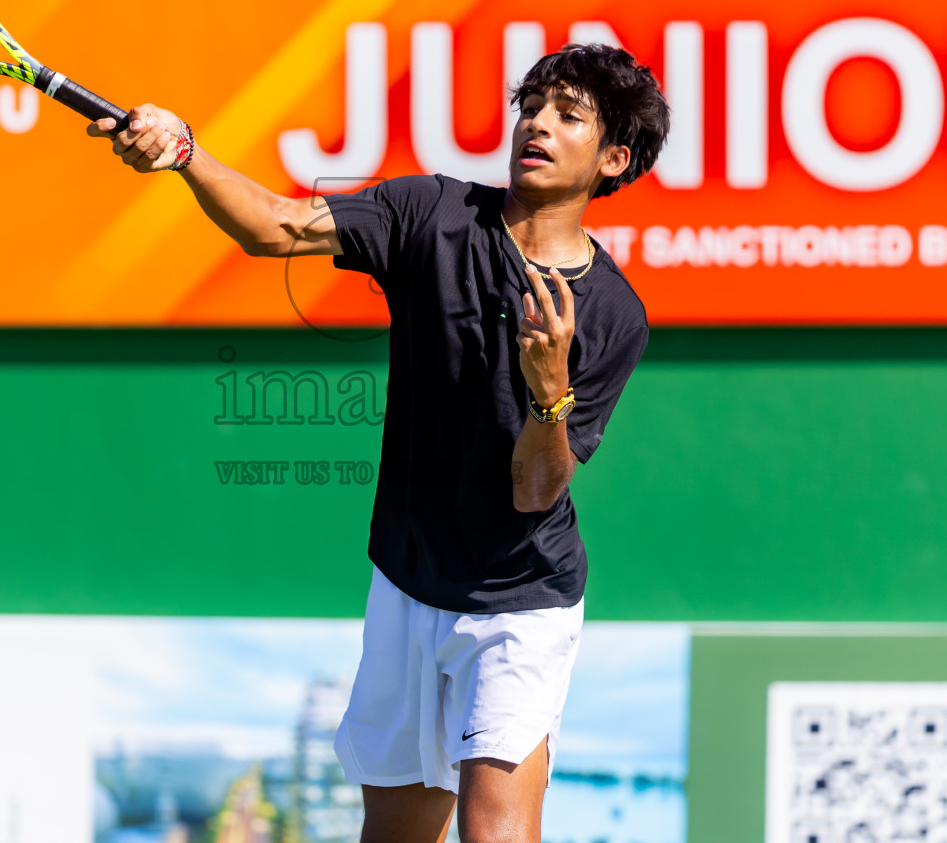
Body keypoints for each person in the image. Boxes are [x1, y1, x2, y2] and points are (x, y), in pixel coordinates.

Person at [90, 42, 668, 843]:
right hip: (407, 580)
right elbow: (278, 227)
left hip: (517, 605)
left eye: (567, 115)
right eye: (531, 105)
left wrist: (549, 394)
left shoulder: (612, 315)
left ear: (614, 158)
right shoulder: (430, 214)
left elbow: (537, 492)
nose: (536, 123)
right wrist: (185, 152)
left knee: (494, 832)